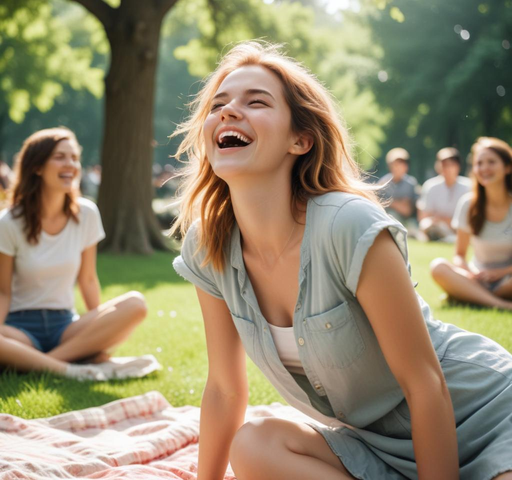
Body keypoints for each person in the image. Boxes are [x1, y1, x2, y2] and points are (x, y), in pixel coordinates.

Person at [171, 42, 512, 480]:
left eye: (256, 101)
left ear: (301, 139)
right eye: (218, 104)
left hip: (482, 415)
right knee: (254, 444)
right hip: (375, 444)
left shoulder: (346, 224)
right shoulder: (208, 244)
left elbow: (425, 382)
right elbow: (223, 388)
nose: (228, 111)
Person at [0, 128, 148, 380]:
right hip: (20, 328)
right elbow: (3, 291)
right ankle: (71, 367)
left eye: (74, 157)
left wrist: (100, 329)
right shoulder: (9, 222)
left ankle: (43, 363)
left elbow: (88, 280)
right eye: (60, 157)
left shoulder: (87, 214)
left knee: (136, 304)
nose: (70, 164)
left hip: (65, 326)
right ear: (37, 167)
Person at [431, 137, 512, 311]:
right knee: (438, 266)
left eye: (491, 162)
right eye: (479, 163)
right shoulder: (468, 204)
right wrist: (469, 273)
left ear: (507, 167)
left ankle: (468, 295)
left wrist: (501, 272)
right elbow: (459, 254)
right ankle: (502, 304)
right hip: (477, 278)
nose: (484, 168)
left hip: (508, 280)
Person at [417, 147, 471, 242]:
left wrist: (445, 220)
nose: (446, 168)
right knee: (426, 225)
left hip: (462, 228)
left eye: (450, 164)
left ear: (458, 166)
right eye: (443, 164)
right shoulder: (430, 186)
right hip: (439, 228)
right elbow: (424, 217)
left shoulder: (468, 186)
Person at [377, 148, 419, 227]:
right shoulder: (383, 183)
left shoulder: (411, 183)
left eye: (402, 163)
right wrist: (398, 203)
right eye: (396, 164)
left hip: (407, 221)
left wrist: (390, 202)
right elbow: (379, 206)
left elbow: (408, 210)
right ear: (390, 166)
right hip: (387, 219)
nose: (399, 167)